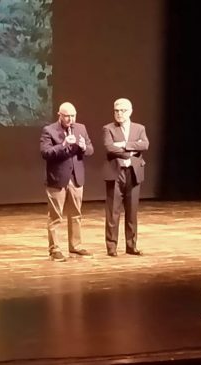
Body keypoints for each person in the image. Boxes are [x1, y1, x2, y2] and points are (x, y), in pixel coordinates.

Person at [40, 102, 94, 261]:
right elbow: (45, 153)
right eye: (67, 116)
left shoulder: (81, 128)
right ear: (59, 115)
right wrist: (63, 145)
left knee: (76, 214)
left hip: (76, 178)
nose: (71, 119)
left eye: (73, 115)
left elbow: (91, 149)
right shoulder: (49, 130)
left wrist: (84, 147)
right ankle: (55, 249)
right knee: (55, 216)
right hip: (57, 178)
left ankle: (75, 246)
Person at [103, 98, 149, 256]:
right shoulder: (108, 128)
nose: (119, 113)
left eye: (122, 110)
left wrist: (123, 144)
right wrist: (131, 149)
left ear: (130, 111)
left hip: (133, 173)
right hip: (116, 174)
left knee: (132, 212)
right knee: (113, 212)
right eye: (116, 110)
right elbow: (109, 148)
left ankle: (131, 245)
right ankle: (111, 247)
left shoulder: (139, 128)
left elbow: (145, 145)